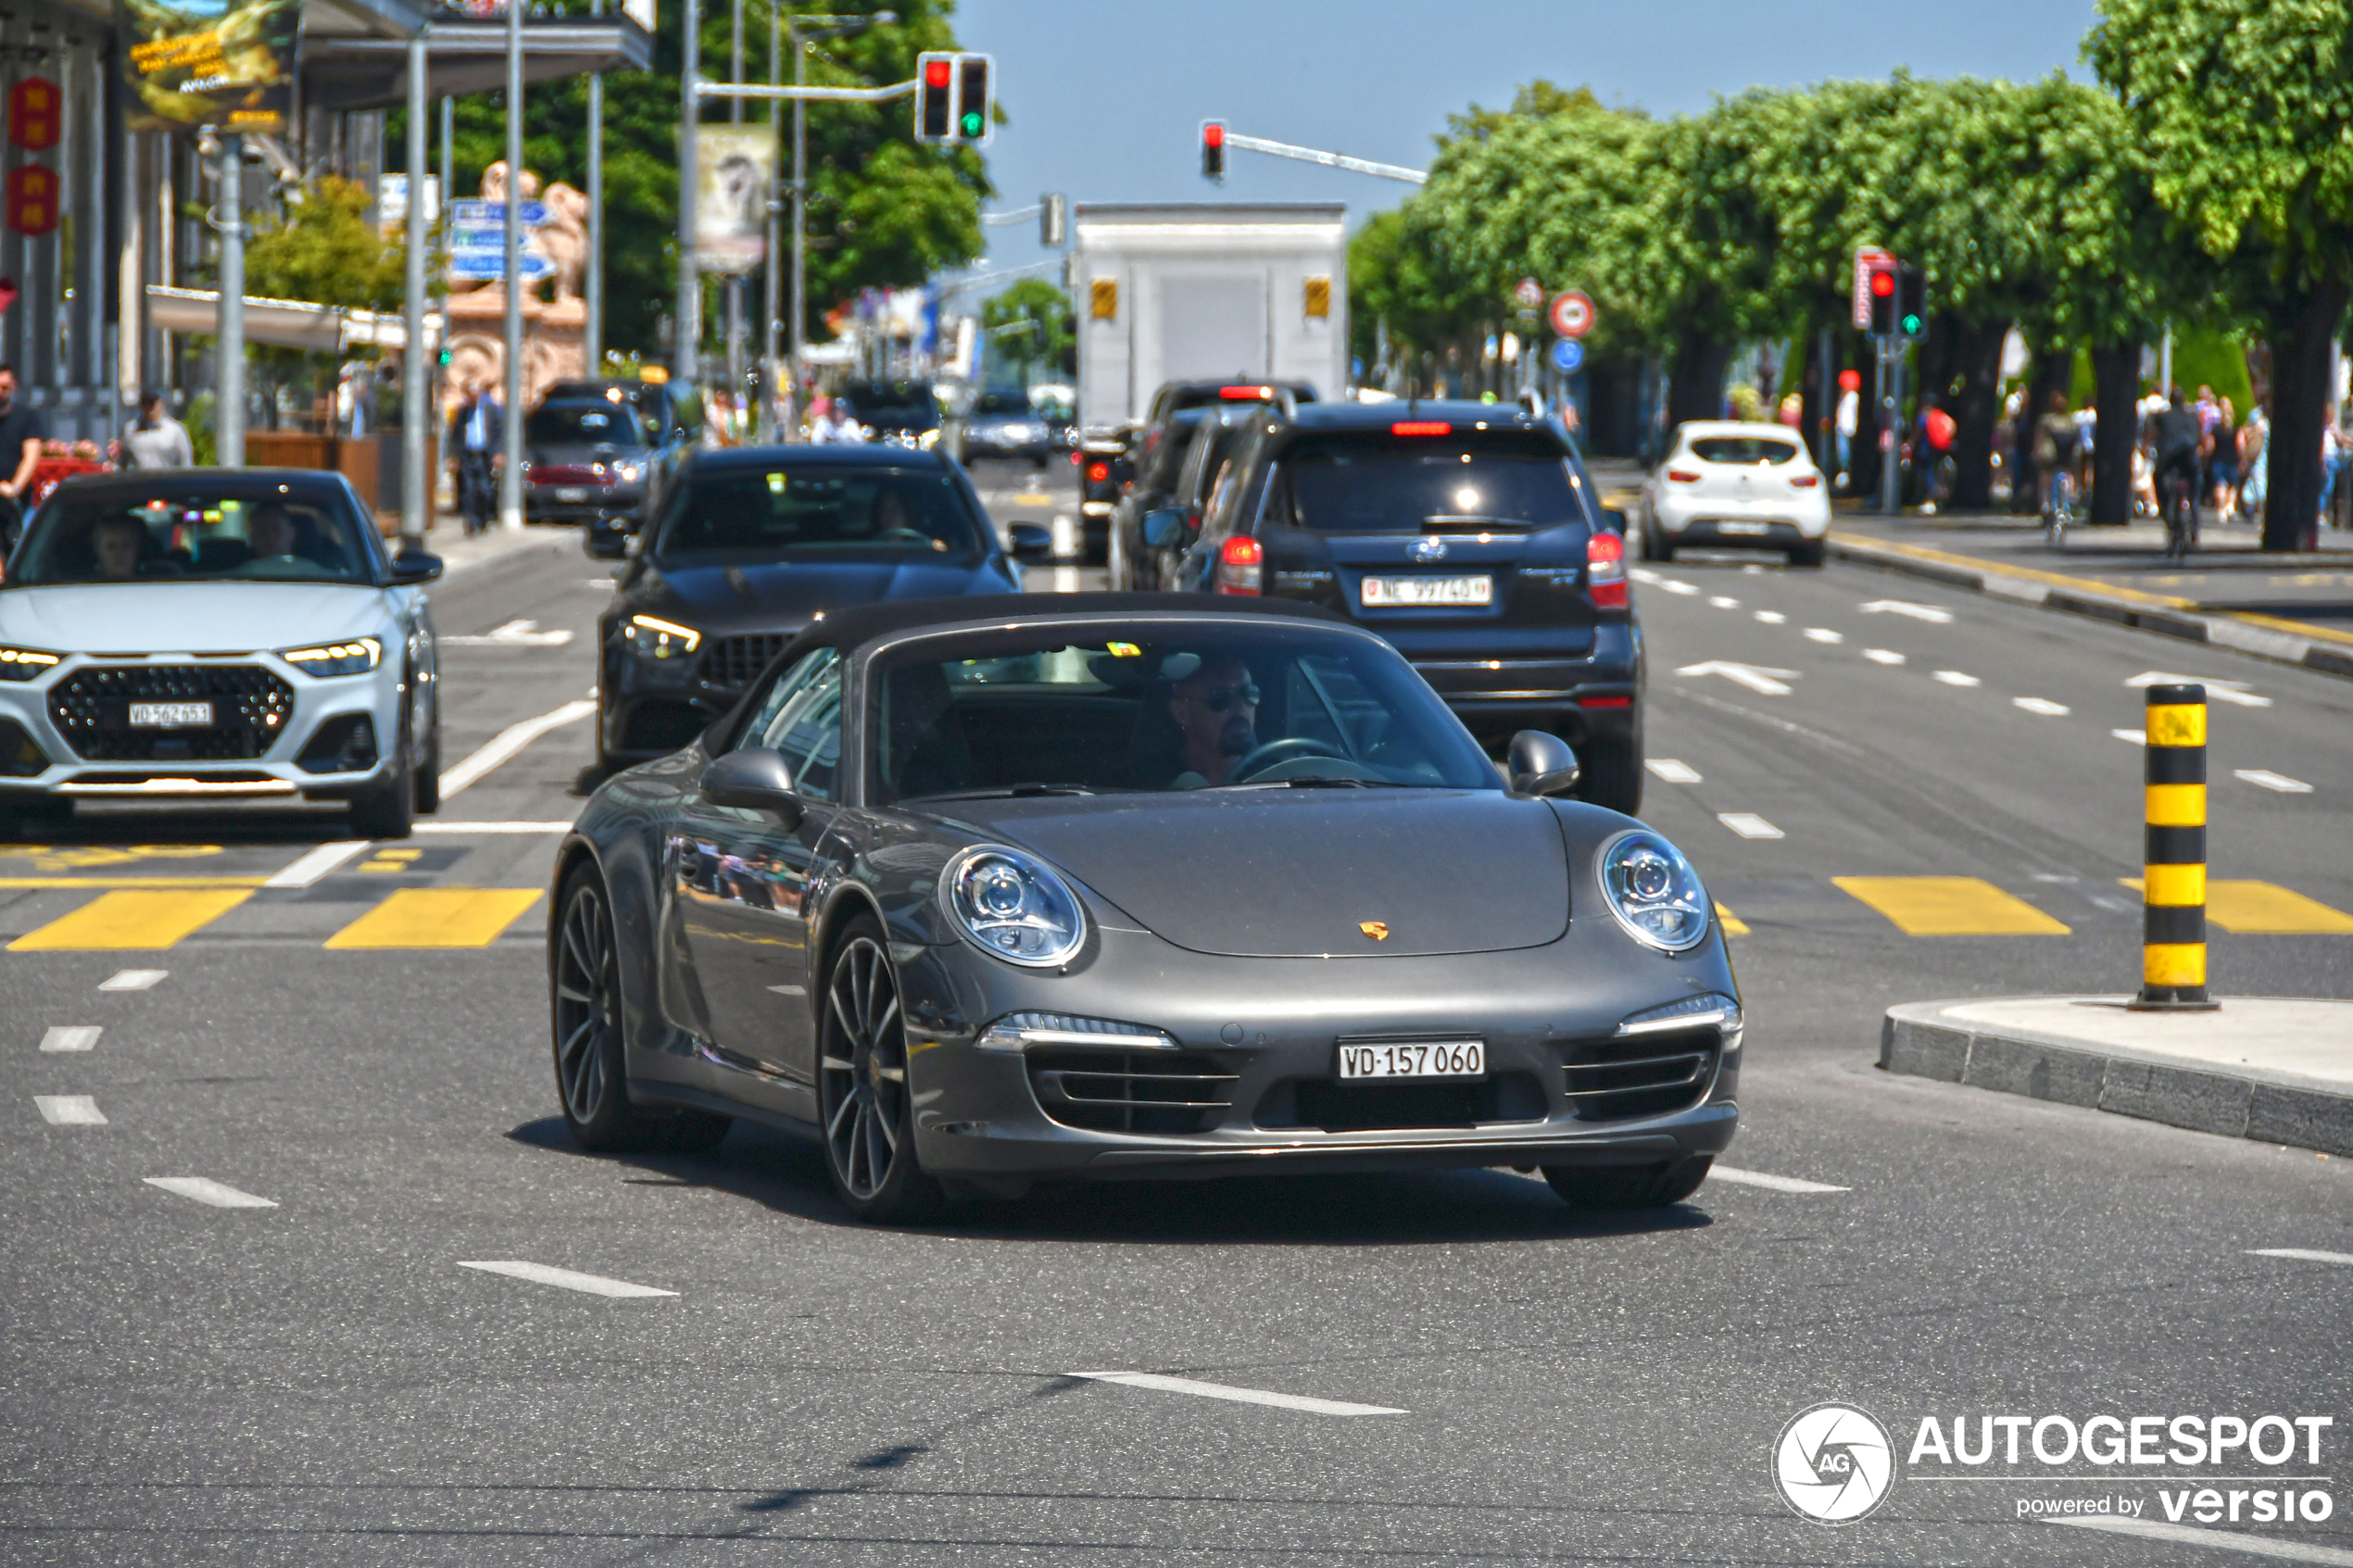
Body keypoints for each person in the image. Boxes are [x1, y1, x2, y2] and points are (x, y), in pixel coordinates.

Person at [1164, 653, 1259, 788]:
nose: (1241, 707)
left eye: (1249, 694)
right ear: (1182, 713)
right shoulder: (1152, 788)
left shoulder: (1274, 776)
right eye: (1221, 697)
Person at [0, 361, 49, 559]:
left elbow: (31, 456)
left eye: (4, 387)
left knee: (22, 553)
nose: (0, 393)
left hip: (18, 504)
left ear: (14, 387)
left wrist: (15, 488)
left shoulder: (27, 418)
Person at [447, 381, 502, 534]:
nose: (473, 397)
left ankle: (483, 519)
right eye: (470, 394)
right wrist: (453, 457)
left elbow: (498, 432)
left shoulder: (490, 410)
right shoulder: (461, 412)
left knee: (484, 490)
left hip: (484, 456)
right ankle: (470, 522)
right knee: (468, 490)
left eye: (476, 394)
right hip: (467, 456)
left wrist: (498, 453)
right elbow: (454, 436)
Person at [2148, 386, 2204, 530]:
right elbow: (2203, 438)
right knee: (2196, 482)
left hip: (2169, 458)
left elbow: (2151, 434)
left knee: (2158, 477)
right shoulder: (2193, 416)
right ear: (2184, 401)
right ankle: (2195, 513)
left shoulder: (2163, 417)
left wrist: (2145, 448)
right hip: (2189, 456)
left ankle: (2165, 506)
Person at [120, 392, 194, 471]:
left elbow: (186, 462)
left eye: (151, 404)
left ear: (162, 405)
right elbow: (122, 461)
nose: (148, 407)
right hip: (140, 481)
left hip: (166, 481)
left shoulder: (175, 430)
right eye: (144, 404)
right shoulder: (131, 429)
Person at [2032, 392, 2077, 513]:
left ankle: (2059, 503)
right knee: (2047, 477)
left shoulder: (2067, 420)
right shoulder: (2066, 421)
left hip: (2060, 455)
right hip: (2053, 454)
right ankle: (2047, 504)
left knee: (2055, 477)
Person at [89, 515, 146, 581]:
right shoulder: (83, 587)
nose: (119, 553)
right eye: (111, 547)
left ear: (136, 549)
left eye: (125, 546)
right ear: (98, 551)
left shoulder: (154, 585)